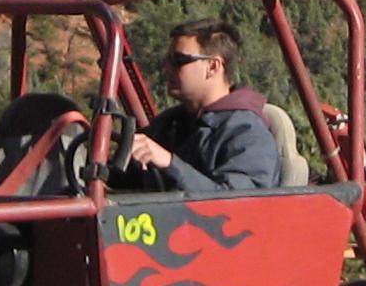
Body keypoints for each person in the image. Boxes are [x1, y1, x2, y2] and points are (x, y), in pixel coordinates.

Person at [120, 23, 282, 194]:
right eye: (167, 60)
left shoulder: (247, 134)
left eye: (178, 60)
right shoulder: (170, 123)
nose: (167, 68)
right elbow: (127, 181)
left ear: (213, 67)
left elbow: (238, 204)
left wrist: (170, 164)